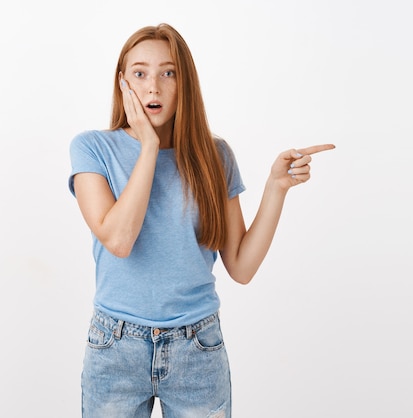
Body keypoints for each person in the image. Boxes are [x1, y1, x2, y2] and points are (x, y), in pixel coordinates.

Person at [68, 23, 334, 418]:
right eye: (140, 73)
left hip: (197, 348)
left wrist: (275, 188)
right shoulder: (92, 148)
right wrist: (150, 147)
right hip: (116, 346)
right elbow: (119, 239)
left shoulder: (216, 156)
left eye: (168, 73)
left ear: (185, 82)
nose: (153, 87)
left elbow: (241, 267)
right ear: (122, 83)